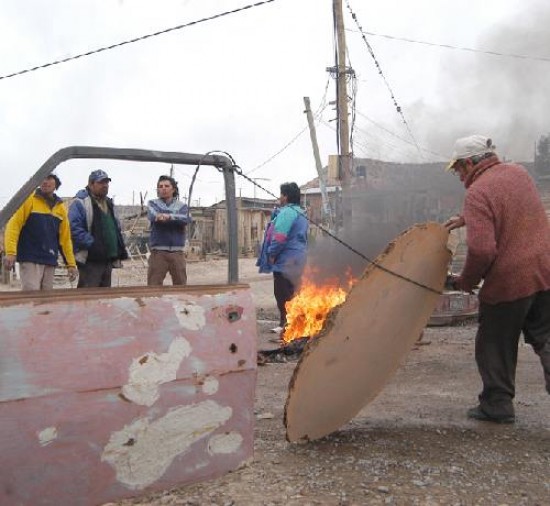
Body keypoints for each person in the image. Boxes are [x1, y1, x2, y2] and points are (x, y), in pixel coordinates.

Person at [444, 134, 550, 424]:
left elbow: (481, 250)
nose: (459, 175)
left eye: (459, 169)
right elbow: (508, 205)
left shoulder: (477, 193)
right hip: (544, 271)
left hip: (511, 280)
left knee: (494, 343)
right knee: (546, 337)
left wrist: (465, 282)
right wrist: (466, 217)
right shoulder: (519, 173)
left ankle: (497, 405)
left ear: (469, 163)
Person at [3, 174, 77, 290]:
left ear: (56, 184)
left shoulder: (61, 208)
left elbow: (65, 239)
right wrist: (11, 252)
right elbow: (13, 226)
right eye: (42, 178)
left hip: (49, 259)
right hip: (30, 259)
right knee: (31, 297)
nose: (45, 182)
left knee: (46, 300)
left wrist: (71, 264)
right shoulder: (29, 200)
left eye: (49, 179)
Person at [257, 182, 308, 334]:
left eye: (281, 194)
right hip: (298, 258)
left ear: (285, 196)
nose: (279, 197)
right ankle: (294, 323)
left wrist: (272, 254)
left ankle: (285, 324)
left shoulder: (287, 213)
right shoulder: (301, 212)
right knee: (293, 291)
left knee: (282, 292)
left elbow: (279, 237)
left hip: (286, 260)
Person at [69, 169, 128, 287]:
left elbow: (115, 228)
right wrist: (93, 244)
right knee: (88, 296)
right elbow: (74, 228)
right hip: (90, 259)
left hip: (107, 258)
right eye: (101, 183)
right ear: (91, 184)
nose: (105, 186)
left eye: (106, 183)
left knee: (105, 298)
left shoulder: (109, 203)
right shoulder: (80, 202)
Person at [147, 175, 191, 285]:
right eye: (160, 186)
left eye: (167, 186)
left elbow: (187, 218)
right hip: (158, 252)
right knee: (153, 286)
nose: (163, 188)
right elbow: (154, 216)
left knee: (181, 285)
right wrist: (175, 217)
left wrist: (169, 217)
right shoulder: (152, 203)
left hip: (177, 253)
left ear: (173, 189)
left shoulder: (182, 206)